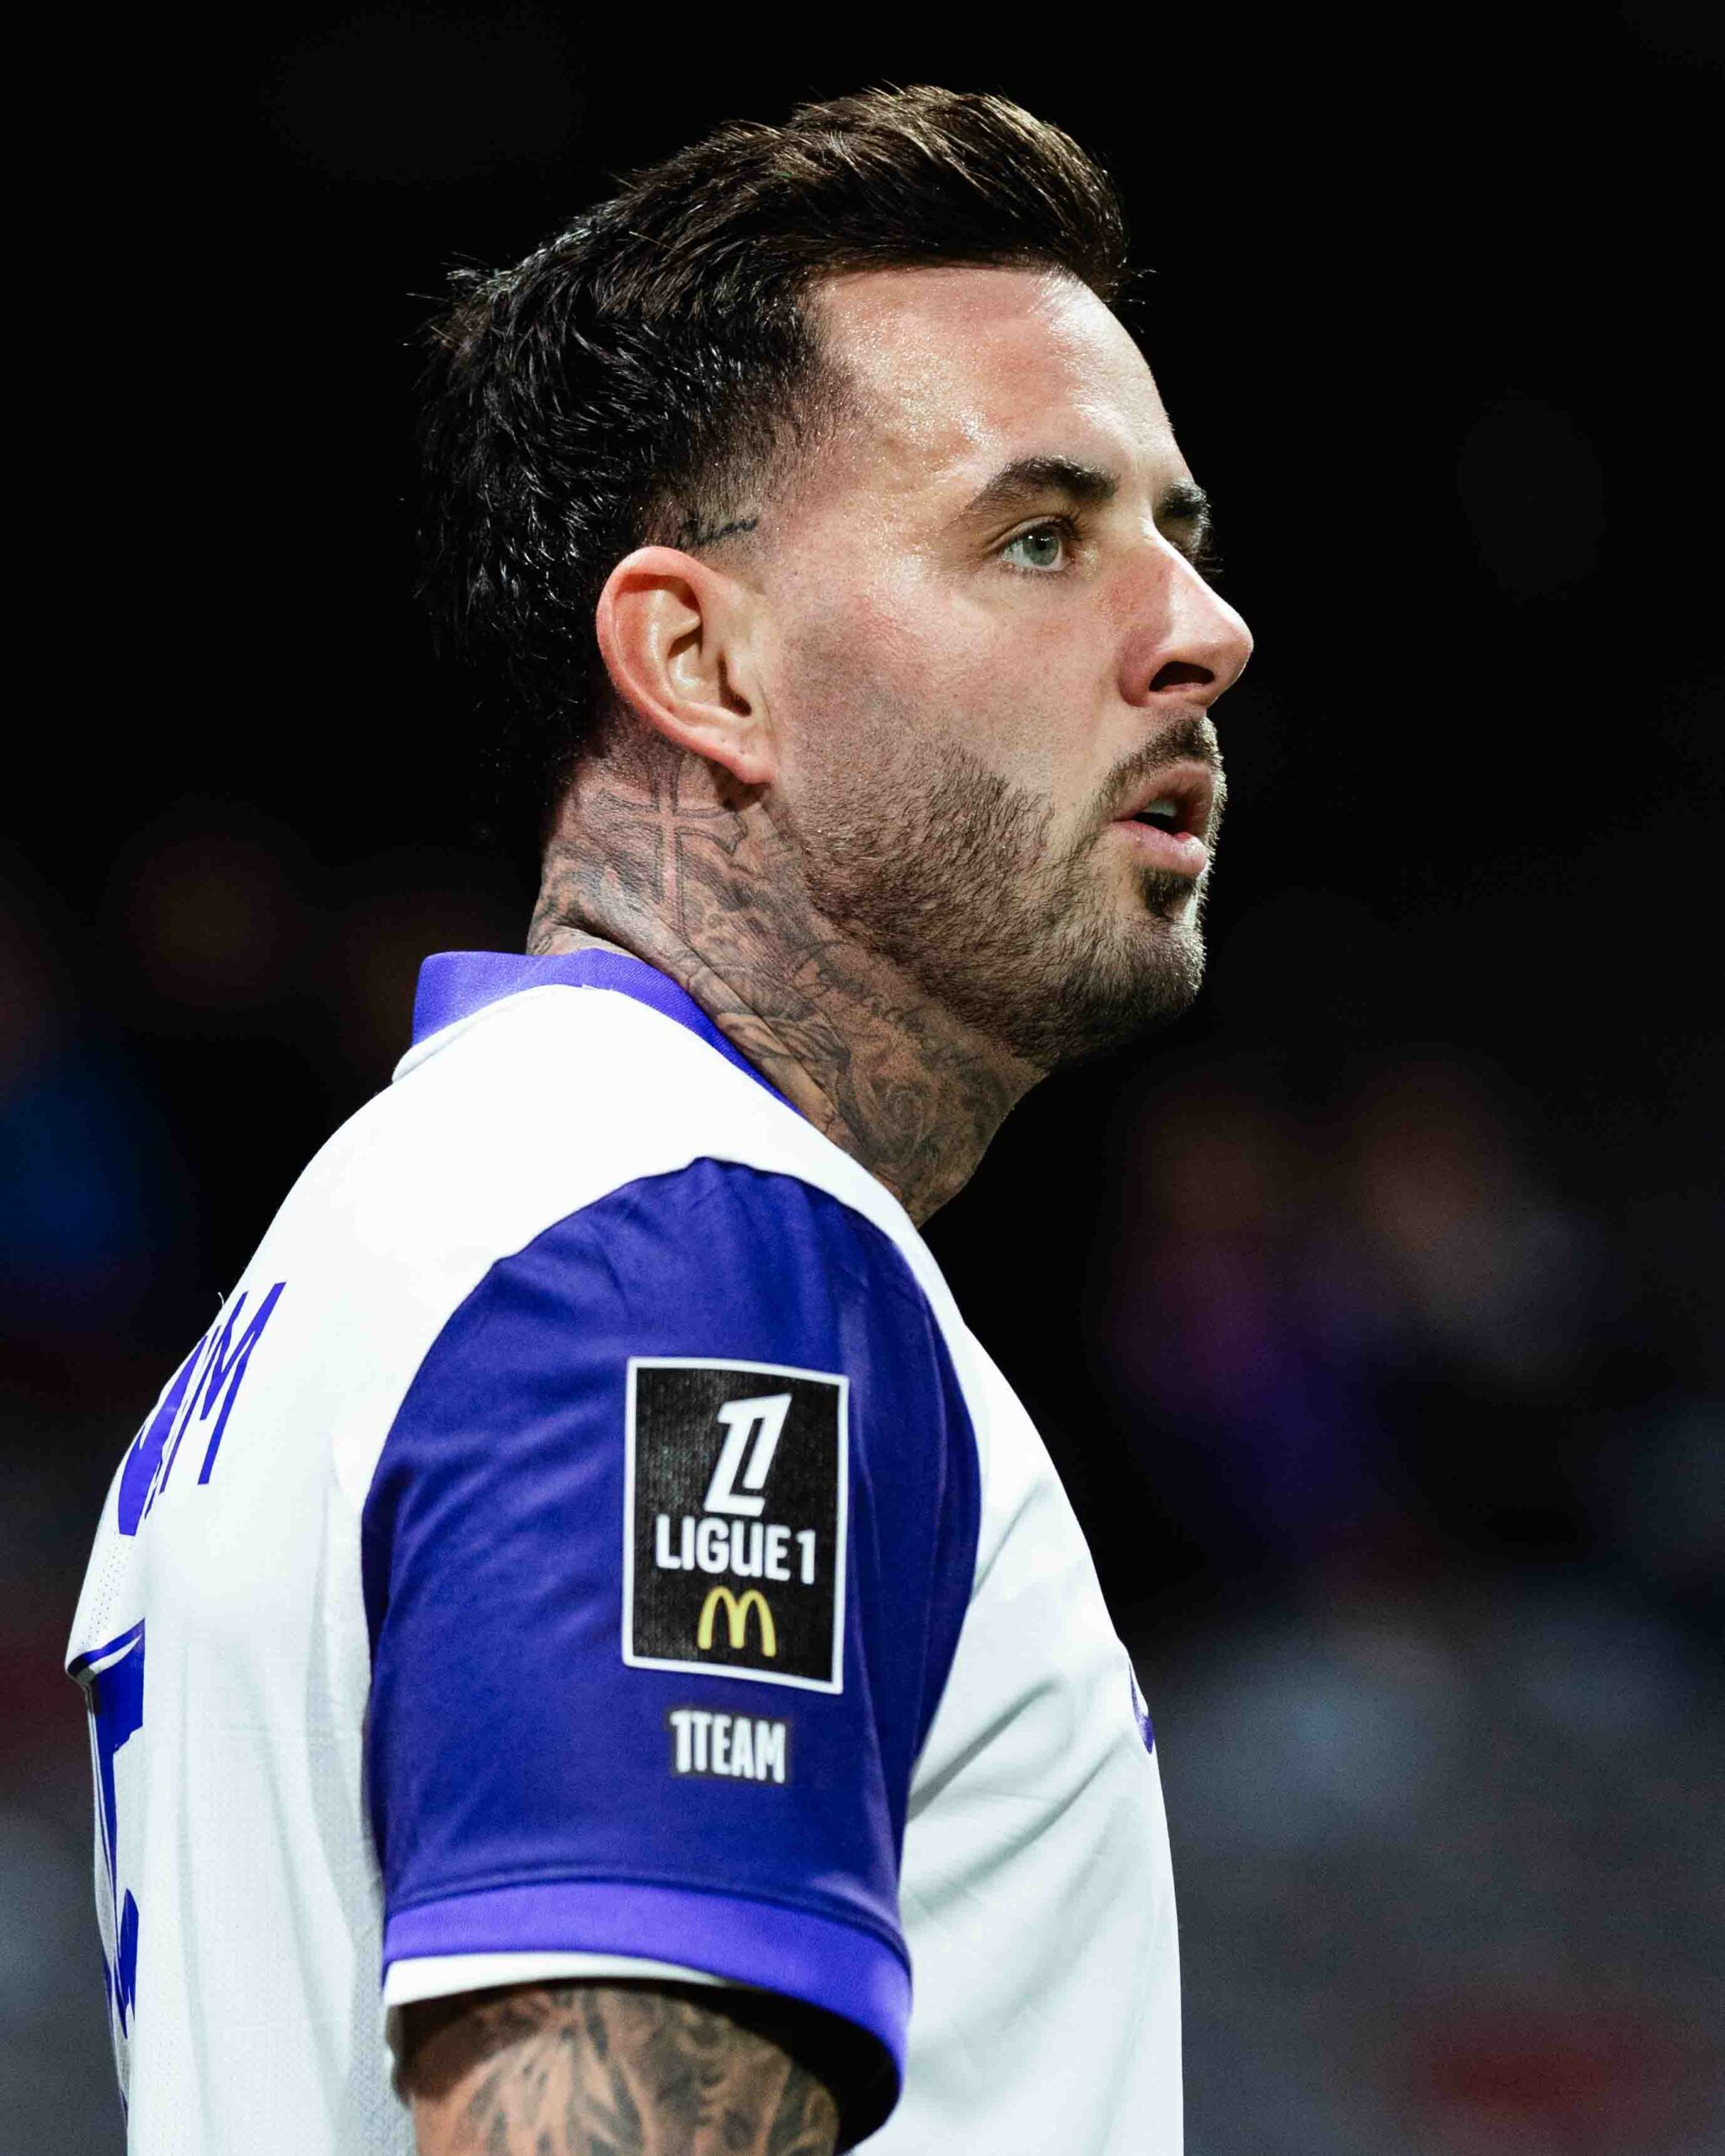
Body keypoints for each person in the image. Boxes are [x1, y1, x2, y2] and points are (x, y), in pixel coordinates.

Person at [66, 86, 1252, 2155]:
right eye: (1039, 537)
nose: (1201, 632)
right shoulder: (676, 1247)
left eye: (1180, 535)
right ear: (699, 658)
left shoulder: (418, 1227)